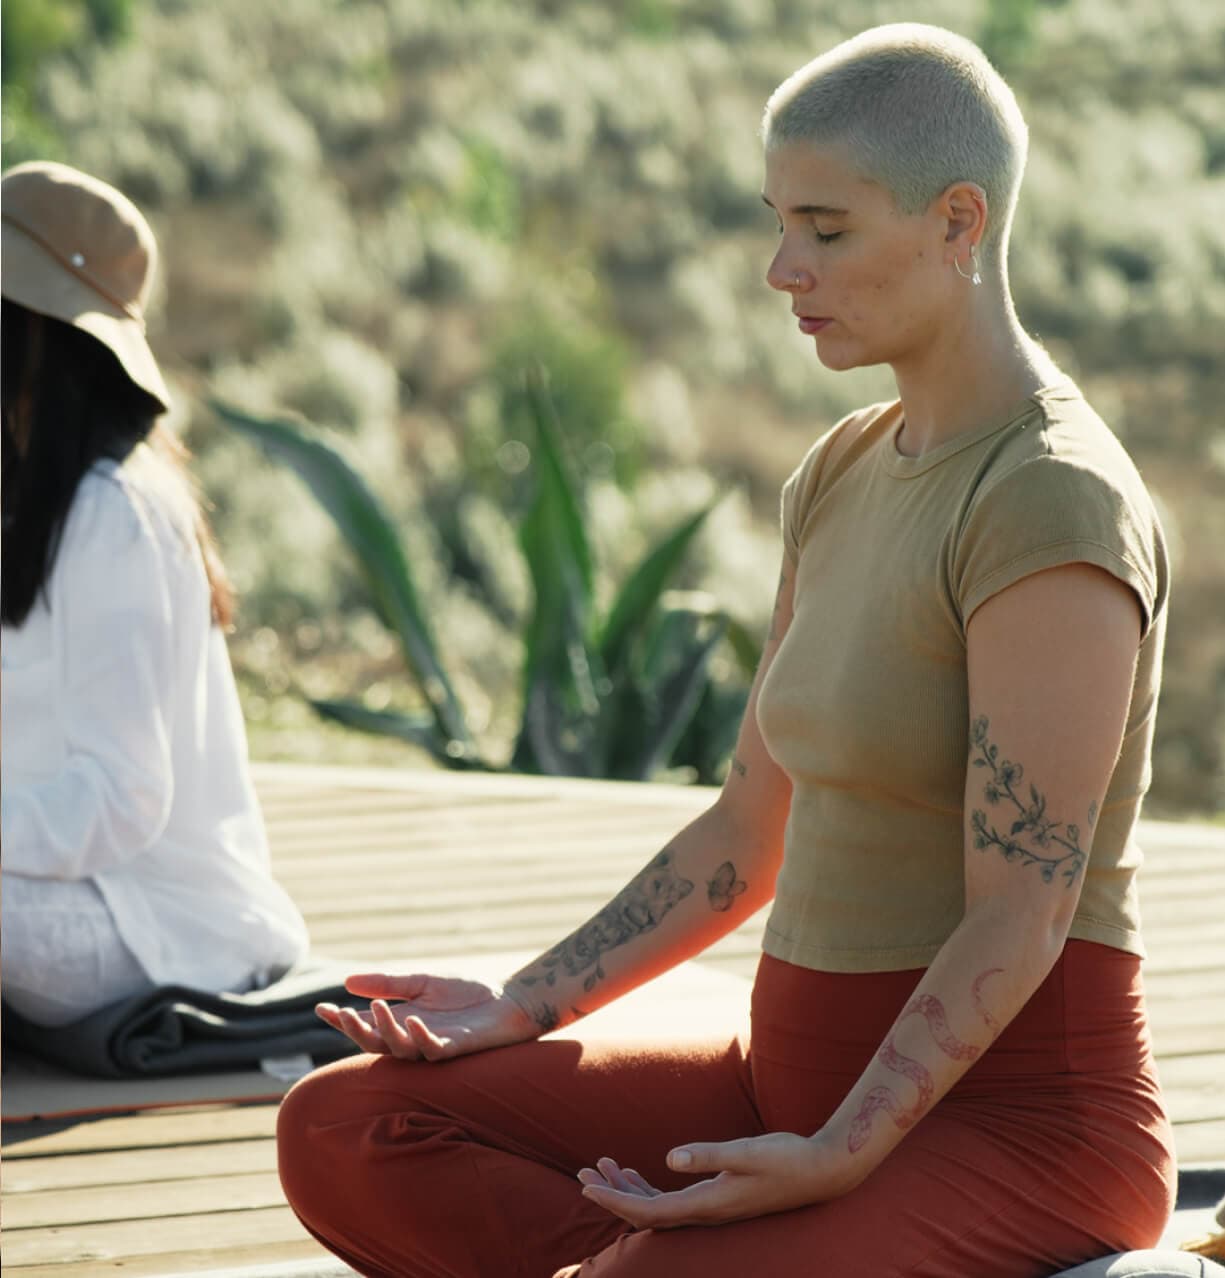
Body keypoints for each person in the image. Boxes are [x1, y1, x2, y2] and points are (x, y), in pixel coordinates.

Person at [275, 24, 1175, 1277]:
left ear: (958, 221)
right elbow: (743, 835)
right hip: (784, 1093)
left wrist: (844, 1154)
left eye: (825, 228)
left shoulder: (1049, 498)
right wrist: (516, 1005)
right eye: (777, 222)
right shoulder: (843, 469)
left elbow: (1020, 913)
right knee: (351, 1121)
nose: (778, 268)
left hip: (1017, 1131)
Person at [1, 161, 309, 1028]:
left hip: (159, 925)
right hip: (69, 892)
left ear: (33, 335)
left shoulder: (114, 512)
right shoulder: (31, 495)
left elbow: (120, 796)